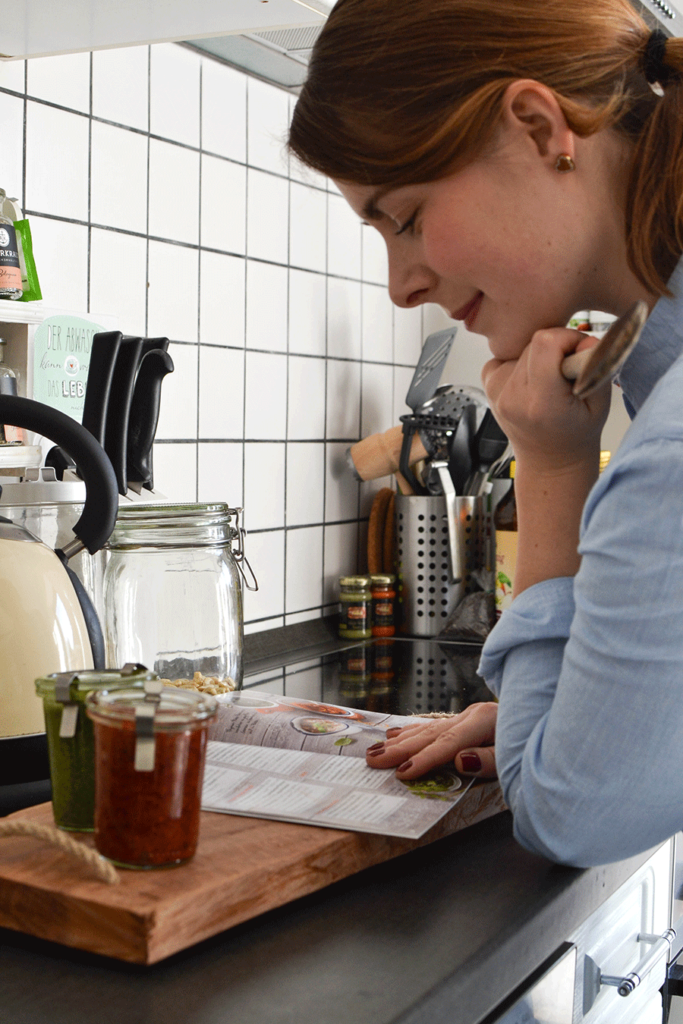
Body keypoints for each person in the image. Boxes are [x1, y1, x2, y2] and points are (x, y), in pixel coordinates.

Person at [288, 0, 683, 867]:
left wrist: (550, 465)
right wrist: (558, 710)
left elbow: (570, 814)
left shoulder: (668, 456)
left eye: (404, 217)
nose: (399, 286)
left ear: (541, 128)